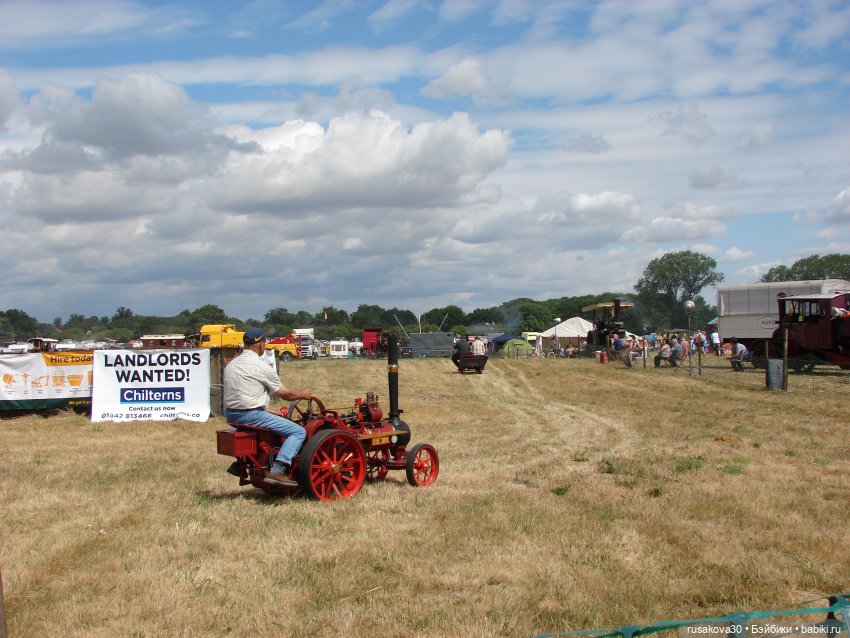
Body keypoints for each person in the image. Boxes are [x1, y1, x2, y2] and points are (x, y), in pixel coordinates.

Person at [223, 327, 313, 487]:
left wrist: (268, 411)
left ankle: (241, 462)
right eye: (265, 342)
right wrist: (303, 394)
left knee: (269, 423)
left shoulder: (232, 364)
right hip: (251, 415)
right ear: (261, 344)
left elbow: (243, 396)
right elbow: (284, 394)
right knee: (298, 431)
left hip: (232, 415)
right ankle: (278, 470)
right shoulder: (261, 366)